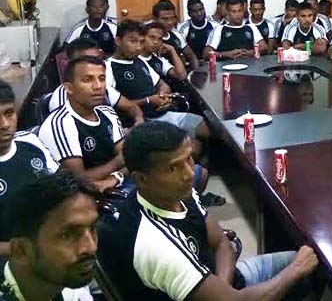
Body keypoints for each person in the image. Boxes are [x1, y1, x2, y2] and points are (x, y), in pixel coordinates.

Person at [97, 122, 319, 301]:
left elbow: (222, 244)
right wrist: (298, 268)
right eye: (173, 167)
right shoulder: (156, 245)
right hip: (219, 290)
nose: (188, 174)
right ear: (141, 179)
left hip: (218, 282)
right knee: (304, 266)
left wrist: (221, 288)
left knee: (311, 267)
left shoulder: (176, 192)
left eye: (189, 159)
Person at [105, 20, 209, 142]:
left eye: (141, 42)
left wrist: (162, 96)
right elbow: (112, 107)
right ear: (118, 41)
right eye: (133, 41)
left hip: (163, 114)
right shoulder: (108, 68)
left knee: (210, 128)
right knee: (191, 144)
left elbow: (162, 84)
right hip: (143, 124)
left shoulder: (140, 61)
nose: (138, 47)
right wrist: (148, 101)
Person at [1, 171, 98, 301]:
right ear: (21, 250)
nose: (91, 247)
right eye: (67, 235)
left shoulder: (66, 278)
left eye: (92, 228)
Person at [39, 56, 127, 192]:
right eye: (88, 80)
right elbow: (79, 181)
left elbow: (132, 158)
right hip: (86, 199)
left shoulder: (107, 112)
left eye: (102, 79)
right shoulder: (60, 124)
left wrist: (115, 178)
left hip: (118, 183)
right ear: (69, 88)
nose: (98, 86)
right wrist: (118, 162)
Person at [0, 80, 59, 260]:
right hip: (13, 259)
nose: (4, 124)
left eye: (9, 113)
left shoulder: (30, 142)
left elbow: (62, 192)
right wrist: (32, 249)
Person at [49, 38, 144, 125]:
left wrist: (138, 120)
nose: (93, 65)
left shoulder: (103, 88)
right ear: (71, 63)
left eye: (96, 59)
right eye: (86, 60)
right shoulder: (61, 102)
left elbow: (132, 107)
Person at [152, 0, 200, 71]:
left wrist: (195, 73)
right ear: (155, 19)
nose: (170, 22)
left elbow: (191, 56)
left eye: (172, 18)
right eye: (165, 19)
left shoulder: (177, 35)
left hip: (180, 76)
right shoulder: (150, 39)